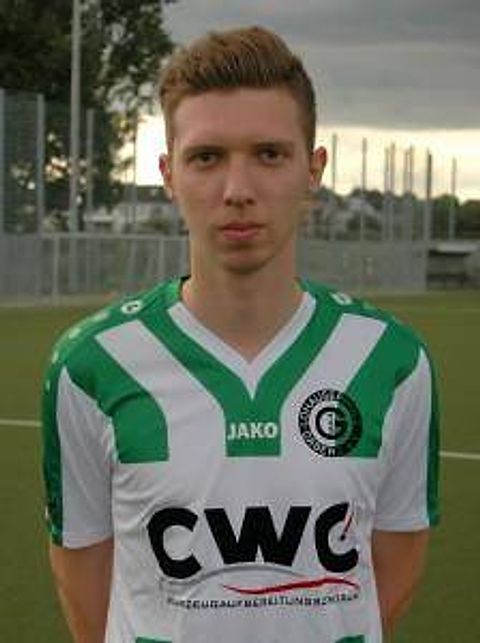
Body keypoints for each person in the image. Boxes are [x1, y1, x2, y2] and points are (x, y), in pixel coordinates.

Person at [42, 26, 439, 643]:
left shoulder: (392, 360)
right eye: (207, 157)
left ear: (313, 169)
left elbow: (398, 559)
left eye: (269, 154)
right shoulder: (91, 364)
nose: (238, 191)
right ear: (169, 174)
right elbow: (82, 574)